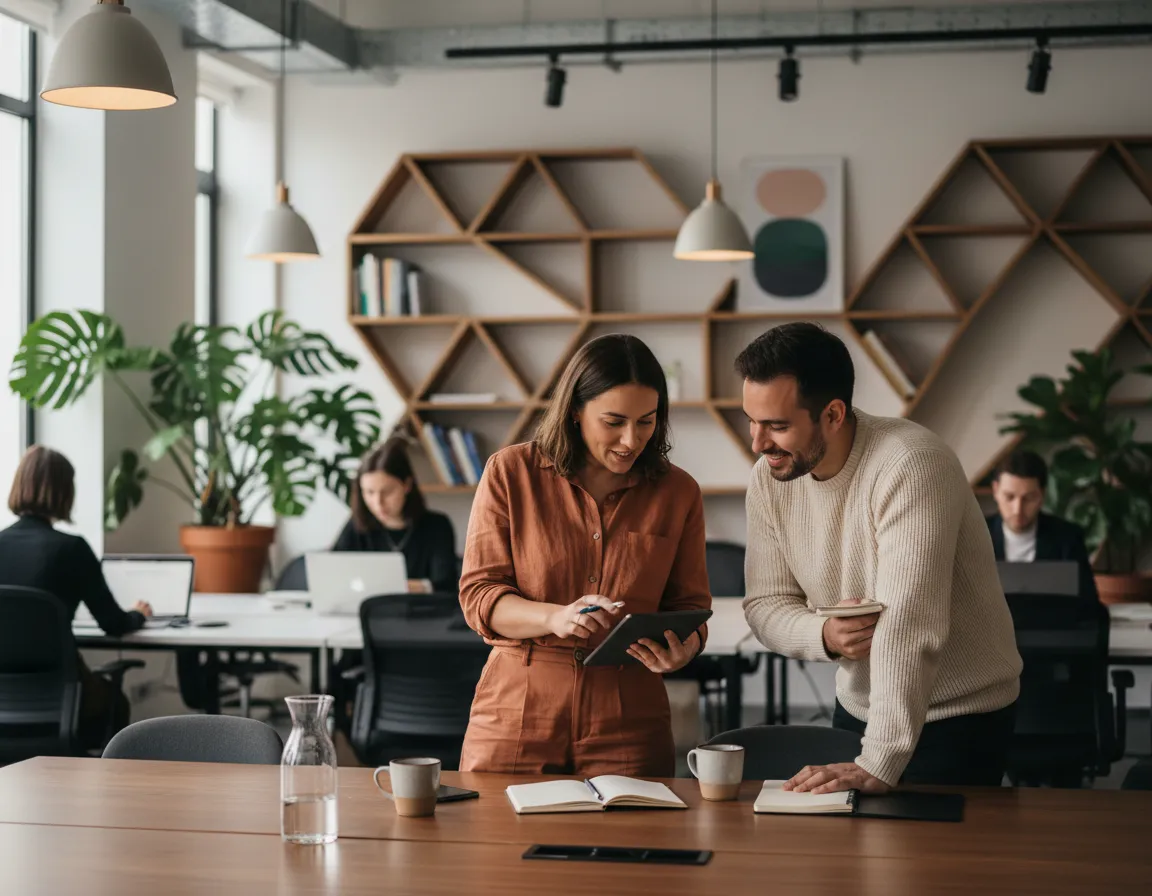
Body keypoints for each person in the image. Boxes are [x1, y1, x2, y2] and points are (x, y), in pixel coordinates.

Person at [738, 323, 1022, 793]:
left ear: (832, 414)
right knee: (850, 862)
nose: (757, 442)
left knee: (935, 866)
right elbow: (765, 603)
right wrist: (824, 634)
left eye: (777, 425)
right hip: (861, 708)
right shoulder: (769, 480)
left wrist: (880, 759)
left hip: (959, 715)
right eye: (751, 419)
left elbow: (908, 623)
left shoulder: (911, 464)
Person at [458, 334, 711, 776]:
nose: (631, 440)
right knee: (495, 842)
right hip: (518, 706)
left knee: (632, 843)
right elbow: (479, 596)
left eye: (647, 422)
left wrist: (682, 650)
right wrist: (555, 618)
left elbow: (690, 608)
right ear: (575, 409)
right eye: (613, 421)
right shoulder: (510, 473)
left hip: (629, 714)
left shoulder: (678, 491)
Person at [0, 445, 152, 746]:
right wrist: (139, 614)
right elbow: (113, 623)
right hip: (62, 705)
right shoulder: (71, 549)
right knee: (116, 704)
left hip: (3, 706)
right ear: (65, 493)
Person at [333, 438, 458, 594]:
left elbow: (444, 585)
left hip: (423, 613)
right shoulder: (356, 524)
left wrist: (387, 586)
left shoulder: (437, 526)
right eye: (369, 492)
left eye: (387, 492)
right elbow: (334, 572)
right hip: (364, 612)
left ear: (406, 485)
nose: (378, 503)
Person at [986, 450, 1098, 601]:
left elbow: (1088, 606)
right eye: (1009, 497)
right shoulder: (973, 536)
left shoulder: (1067, 538)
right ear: (995, 490)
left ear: (1042, 495)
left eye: (1029, 498)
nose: (1017, 509)